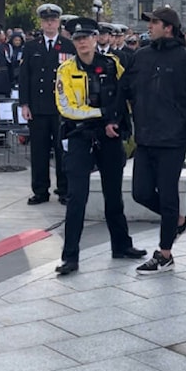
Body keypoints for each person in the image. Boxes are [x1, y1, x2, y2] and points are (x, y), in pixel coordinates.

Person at [52, 18, 146, 275]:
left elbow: (123, 96)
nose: (83, 42)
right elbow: (67, 108)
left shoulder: (112, 65)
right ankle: (70, 256)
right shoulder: (65, 70)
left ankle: (122, 245)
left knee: (114, 195)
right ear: (74, 42)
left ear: (96, 39)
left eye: (87, 38)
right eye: (78, 39)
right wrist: (102, 115)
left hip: (110, 136)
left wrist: (113, 120)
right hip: (79, 136)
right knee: (77, 198)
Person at [124, 6, 186, 274]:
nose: (149, 26)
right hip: (146, 137)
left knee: (168, 194)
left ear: (168, 27)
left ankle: (164, 253)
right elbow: (126, 90)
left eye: (154, 22)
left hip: (173, 138)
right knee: (140, 192)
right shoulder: (141, 56)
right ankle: (180, 221)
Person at [19, 3, 76, 205]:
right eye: (46, 20)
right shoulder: (31, 46)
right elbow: (24, 77)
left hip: (61, 107)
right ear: (41, 23)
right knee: (39, 152)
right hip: (38, 107)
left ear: (59, 23)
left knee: (62, 151)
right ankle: (40, 190)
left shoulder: (69, 46)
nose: (49, 24)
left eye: (53, 20)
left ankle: (64, 189)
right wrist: (24, 104)